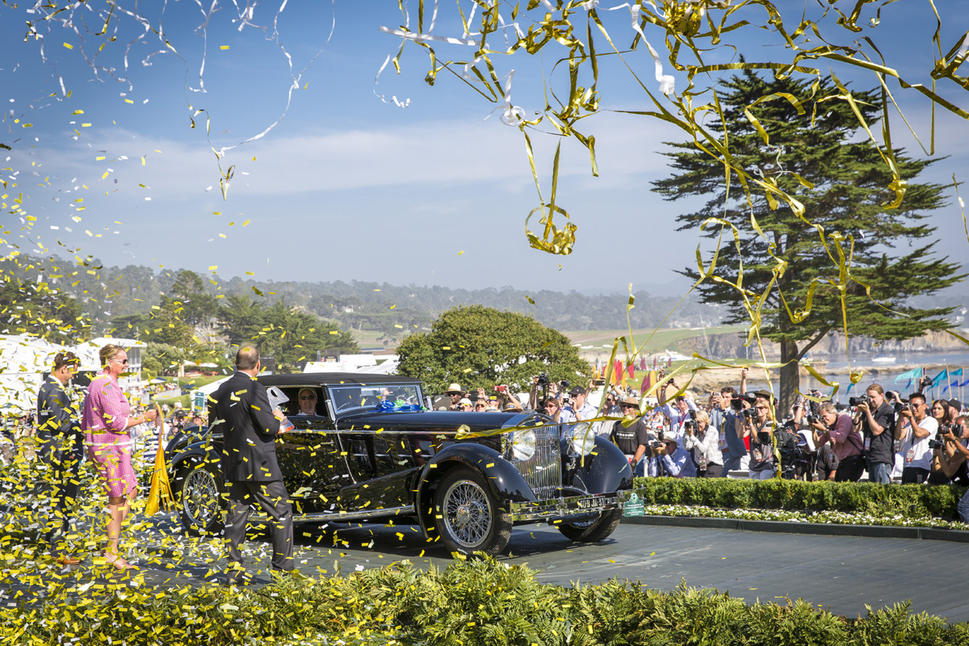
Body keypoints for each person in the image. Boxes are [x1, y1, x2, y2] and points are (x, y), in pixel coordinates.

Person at [210, 345, 295, 581]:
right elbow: (267, 427)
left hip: (234, 464)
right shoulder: (255, 387)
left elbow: (216, 426)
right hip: (261, 464)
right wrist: (280, 421)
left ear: (235, 364)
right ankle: (282, 571)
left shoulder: (222, 389)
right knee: (281, 514)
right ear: (258, 365)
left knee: (236, 517)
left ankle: (234, 569)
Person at [83, 344, 159, 570]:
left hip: (113, 447)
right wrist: (144, 417)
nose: (126, 365)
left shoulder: (105, 384)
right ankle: (111, 548)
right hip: (109, 447)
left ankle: (110, 536)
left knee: (130, 491)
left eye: (126, 361)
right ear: (109, 362)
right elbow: (116, 423)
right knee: (117, 499)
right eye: (123, 361)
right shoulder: (103, 385)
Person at [36, 351, 83, 565]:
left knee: (58, 497)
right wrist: (83, 427)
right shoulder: (54, 390)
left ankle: (51, 542)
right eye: (72, 372)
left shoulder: (48, 386)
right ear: (64, 369)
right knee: (62, 499)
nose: (73, 376)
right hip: (59, 451)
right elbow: (61, 423)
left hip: (53, 450)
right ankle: (57, 549)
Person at [809, 402, 864, 481]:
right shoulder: (831, 427)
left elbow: (841, 438)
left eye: (825, 416)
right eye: (821, 418)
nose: (824, 420)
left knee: (844, 488)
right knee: (838, 485)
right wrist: (813, 430)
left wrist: (823, 430)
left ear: (833, 413)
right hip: (843, 462)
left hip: (854, 461)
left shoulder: (843, 418)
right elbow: (818, 444)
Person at [856, 384, 896, 484]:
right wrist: (858, 412)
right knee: (873, 493)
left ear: (881, 395)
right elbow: (855, 429)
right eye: (869, 397)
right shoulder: (869, 409)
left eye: (873, 397)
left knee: (881, 492)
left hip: (881, 457)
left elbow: (877, 430)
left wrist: (868, 412)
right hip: (870, 456)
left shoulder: (887, 410)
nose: (871, 400)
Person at [896, 392, 939, 484]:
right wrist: (901, 417)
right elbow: (898, 436)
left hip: (921, 465)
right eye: (911, 406)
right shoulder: (909, 423)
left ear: (925, 406)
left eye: (916, 405)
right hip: (907, 465)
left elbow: (919, 433)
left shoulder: (931, 421)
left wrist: (911, 418)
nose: (914, 409)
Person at [609, 396, 655, 477]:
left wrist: (633, 463)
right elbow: (612, 443)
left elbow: (642, 446)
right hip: (621, 460)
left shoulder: (639, 424)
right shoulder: (617, 424)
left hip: (636, 460)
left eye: (629, 406)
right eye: (624, 406)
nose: (626, 408)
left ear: (634, 409)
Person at [736, 393, 775, 480]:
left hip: (766, 463)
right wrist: (744, 421)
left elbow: (758, 439)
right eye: (756, 409)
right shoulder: (754, 424)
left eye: (761, 408)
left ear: (766, 410)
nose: (758, 411)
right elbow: (740, 435)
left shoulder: (770, 424)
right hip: (754, 464)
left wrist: (750, 423)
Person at [684, 409, 724, 477]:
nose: (697, 425)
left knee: (707, 486)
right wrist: (687, 434)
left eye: (699, 422)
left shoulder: (711, 430)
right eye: (695, 423)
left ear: (705, 421)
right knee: (699, 486)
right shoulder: (696, 432)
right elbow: (688, 447)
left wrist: (692, 437)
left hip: (714, 464)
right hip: (702, 464)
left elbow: (703, 448)